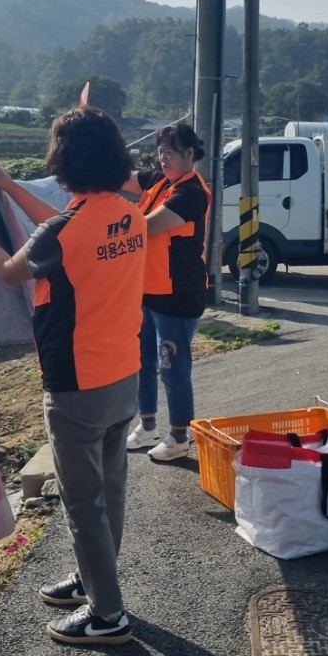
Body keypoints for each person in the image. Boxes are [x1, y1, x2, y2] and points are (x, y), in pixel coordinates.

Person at [0, 105, 145, 646]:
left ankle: (108, 616)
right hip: (123, 372)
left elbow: (7, 269)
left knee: (83, 502)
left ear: (63, 161)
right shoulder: (127, 213)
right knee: (109, 488)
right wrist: (9, 187)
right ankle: (94, 581)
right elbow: (58, 226)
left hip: (76, 382)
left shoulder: (65, 231)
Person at [122, 122, 212, 462]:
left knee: (172, 367)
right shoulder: (160, 181)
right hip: (147, 292)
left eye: (170, 153)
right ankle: (147, 425)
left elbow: (147, 227)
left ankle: (179, 435)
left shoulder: (191, 192)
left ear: (189, 154)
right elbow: (124, 178)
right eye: (160, 152)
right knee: (142, 362)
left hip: (178, 295)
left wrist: (110, 226)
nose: (163, 159)